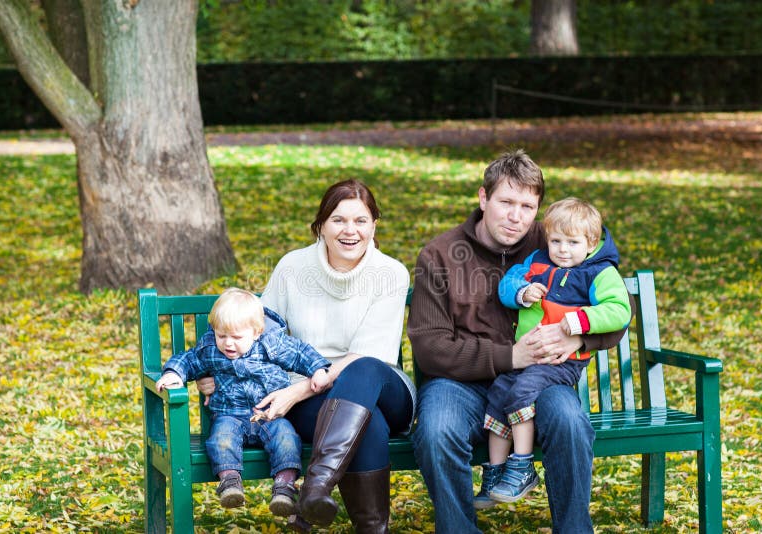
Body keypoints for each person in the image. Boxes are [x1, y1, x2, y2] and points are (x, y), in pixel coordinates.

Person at [407, 149, 633, 534]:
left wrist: (578, 337)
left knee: (568, 419)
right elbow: (430, 348)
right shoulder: (440, 255)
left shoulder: (555, 245)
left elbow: (613, 311)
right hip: (460, 383)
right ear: (483, 199)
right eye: (506, 202)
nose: (516, 217)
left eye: (527, 206)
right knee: (436, 428)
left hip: (539, 377)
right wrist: (508, 355)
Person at [198, 179, 414, 533]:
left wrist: (296, 392)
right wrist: (213, 368)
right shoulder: (293, 268)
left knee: (364, 368)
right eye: (338, 220)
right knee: (367, 423)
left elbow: (369, 355)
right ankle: (368, 527)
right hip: (329, 405)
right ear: (321, 226)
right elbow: (251, 327)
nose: (350, 231)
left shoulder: (390, 274)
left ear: (374, 225)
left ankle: (316, 487)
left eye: (361, 221)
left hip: (383, 388)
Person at [479, 197, 632, 504]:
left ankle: (521, 466)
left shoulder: (598, 272)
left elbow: (619, 310)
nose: (563, 250)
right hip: (526, 357)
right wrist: (523, 292)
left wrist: (579, 321)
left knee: (520, 392)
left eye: (572, 242)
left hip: (560, 362)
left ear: (590, 243)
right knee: (498, 395)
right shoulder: (537, 262)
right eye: (556, 241)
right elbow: (507, 284)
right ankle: (494, 472)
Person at [155, 287, 331, 516]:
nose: (228, 343)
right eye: (222, 335)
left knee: (286, 439)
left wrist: (318, 369)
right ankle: (230, 482)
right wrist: (174, 374)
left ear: (256, 332)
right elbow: (189, 360)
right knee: (221, 440)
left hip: (270, 414)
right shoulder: (211, 350)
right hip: (230, 416)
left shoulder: (271, 345)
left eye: (236, 337)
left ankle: (284, 486)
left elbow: (299, 353)